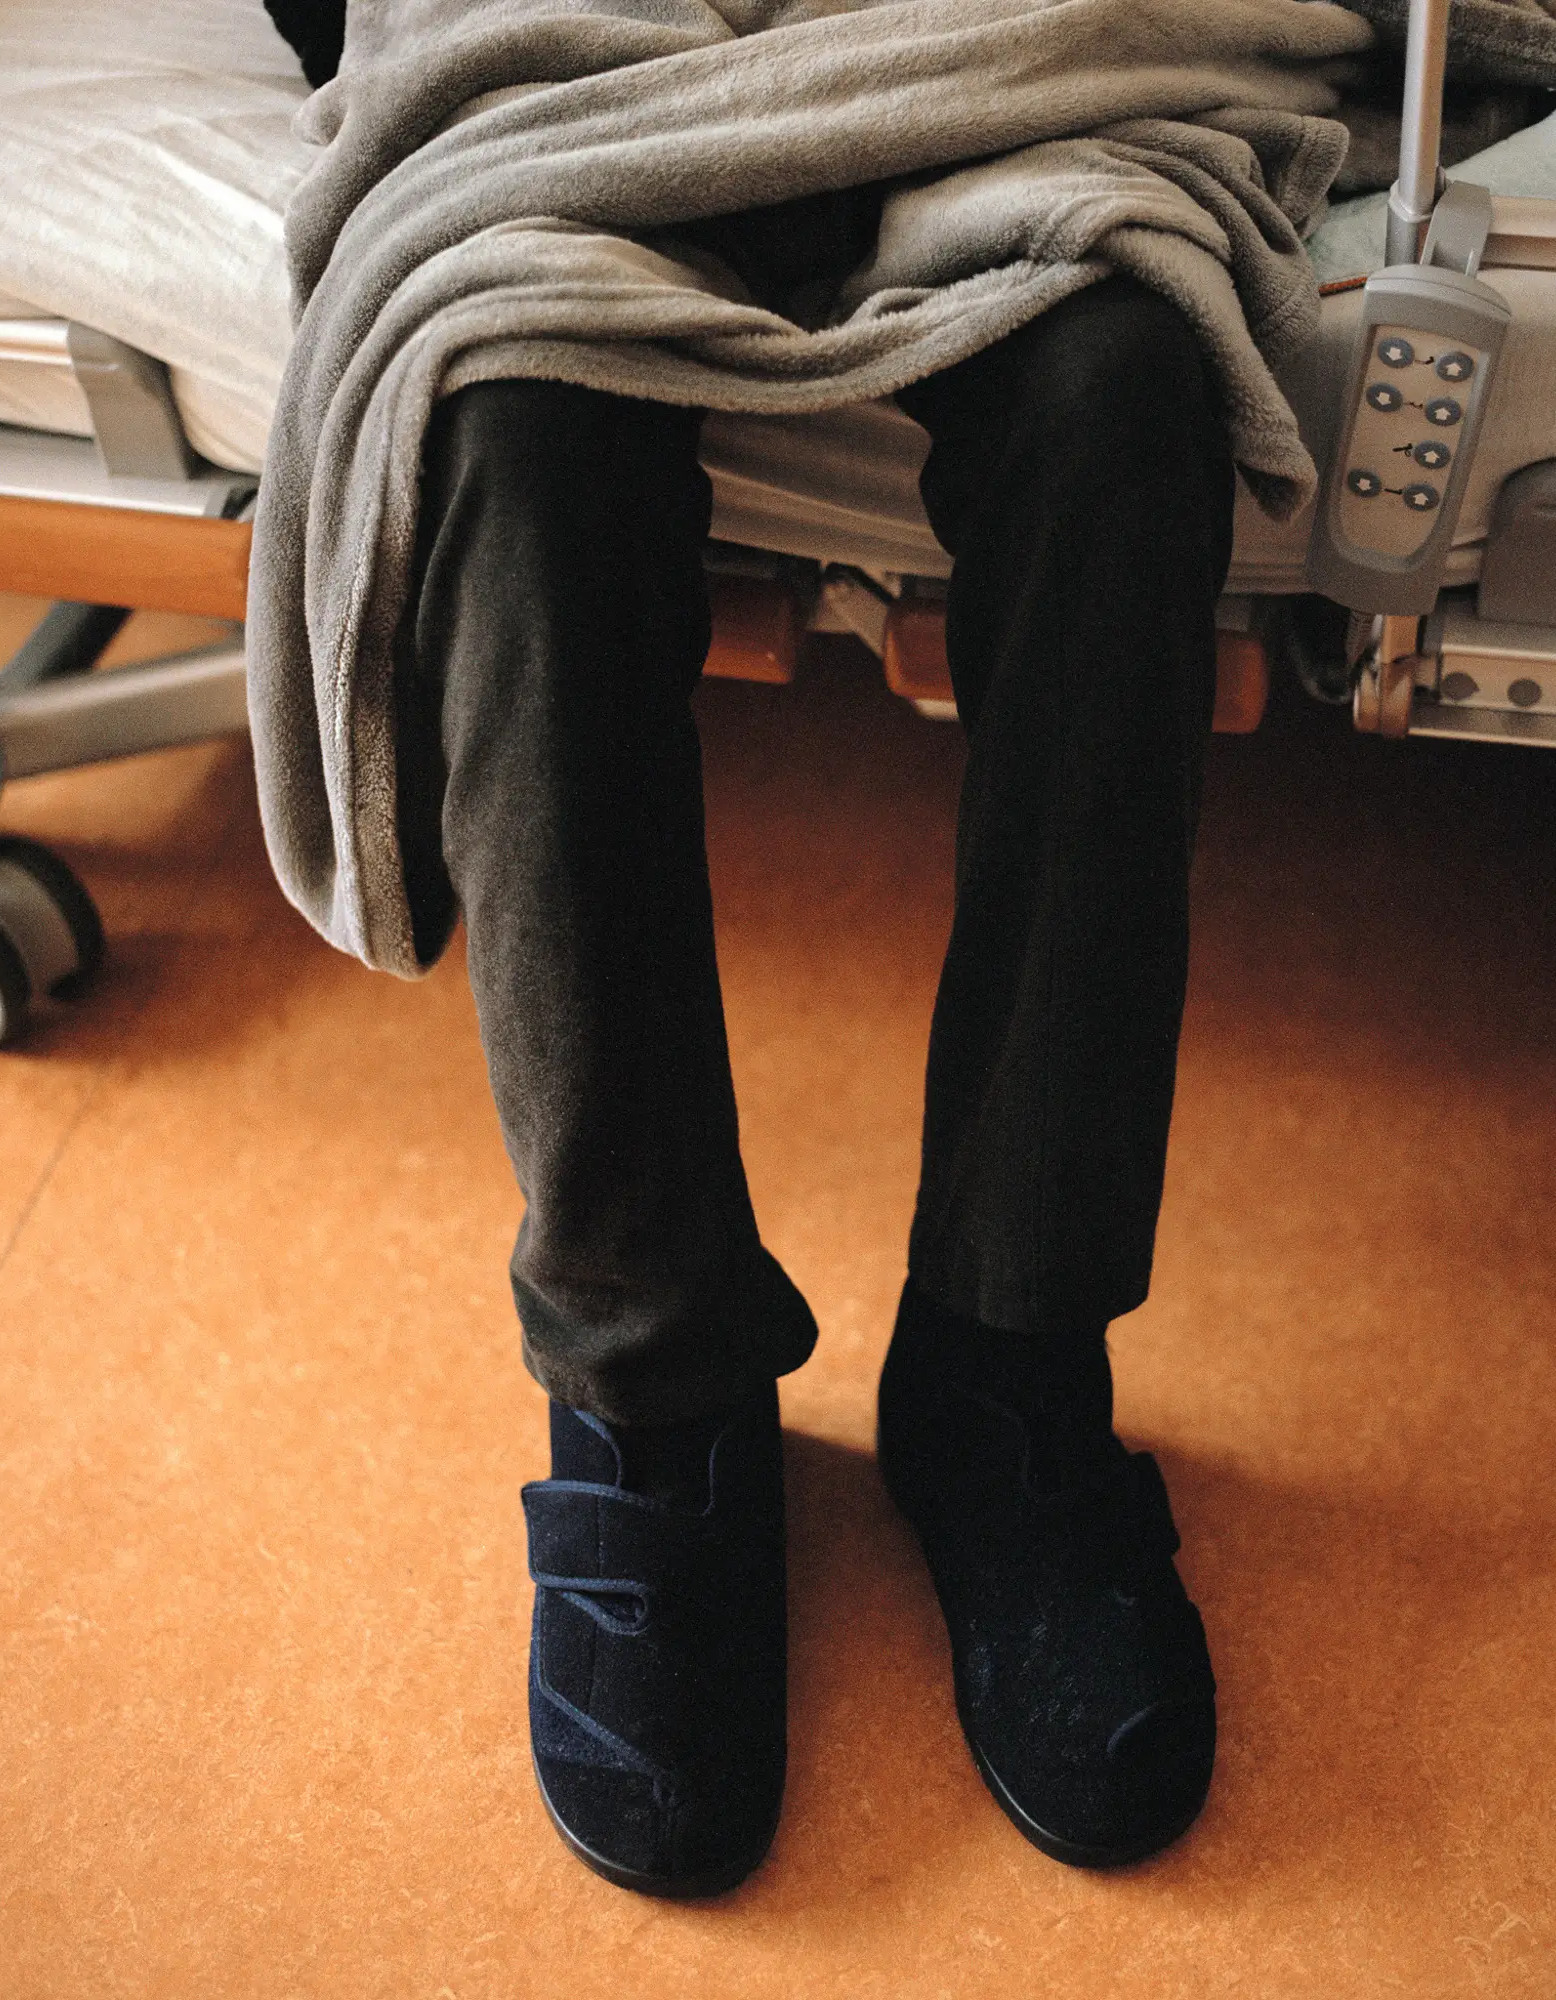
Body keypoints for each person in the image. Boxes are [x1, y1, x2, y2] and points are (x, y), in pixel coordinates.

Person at [266, 0, 1225, 1896]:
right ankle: (651, 1386)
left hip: (965, 35)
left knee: (1127, 389)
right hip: (578, 42)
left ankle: (1011, 1363)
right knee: (513, 411)